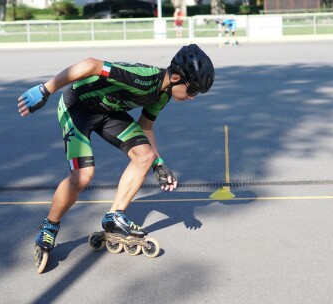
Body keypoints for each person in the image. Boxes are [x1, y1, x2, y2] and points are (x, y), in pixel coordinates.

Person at [17, 44, 215, 254]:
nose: (192, 96)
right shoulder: (143, 78)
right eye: (192, 89)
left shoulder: (163, 94)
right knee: (82, 176)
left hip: (109, 112)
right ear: (175, 78)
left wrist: (158, 164)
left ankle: (115, 216)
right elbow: (91, 64)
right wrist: (46, 89)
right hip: (78, 107)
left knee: (145, 156)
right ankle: (50, 226)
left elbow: (146, 126)